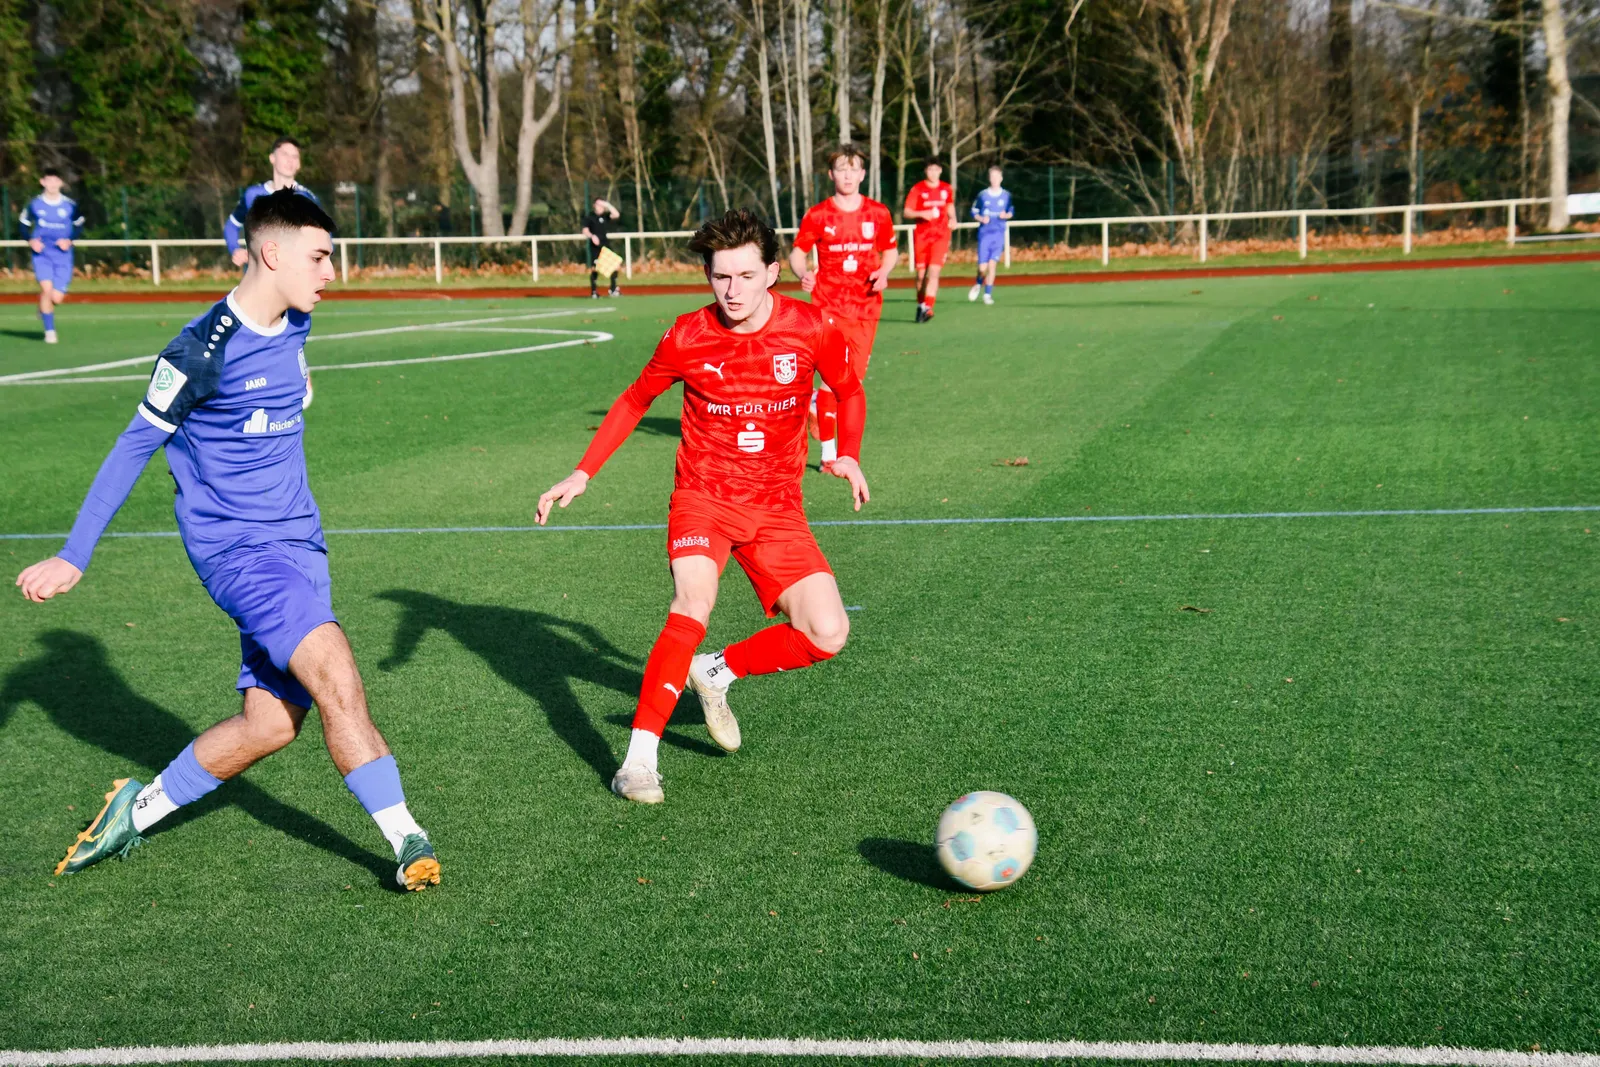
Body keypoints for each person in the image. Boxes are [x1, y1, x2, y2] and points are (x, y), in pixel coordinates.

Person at [15, 191, 441, 892]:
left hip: (302, 543)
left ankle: (135, 811)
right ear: (271, 253)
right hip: (239, 554)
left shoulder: (298, 319)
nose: (331, 271)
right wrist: (73, 554)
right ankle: (407, 838)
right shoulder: (198, 351)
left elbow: (287, 373)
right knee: (335, 671)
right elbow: (132, 446)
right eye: (319, 256)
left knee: (271, 723)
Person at [535, 209, 870, 805]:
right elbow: (635, 399)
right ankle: (639, 761)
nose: (732, 290)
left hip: (777, 506)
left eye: (746, 275)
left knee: (827, 631)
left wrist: (847, 454)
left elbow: (848, 389)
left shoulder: (811, 327)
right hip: (704, 496)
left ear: (773, 272)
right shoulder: (687, 335)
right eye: (721, 277)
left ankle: (716, 671)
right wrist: (583, 472)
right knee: (693, 601)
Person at [790, 144, 898, 473]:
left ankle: (815, 406)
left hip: (866, 308)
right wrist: (803, 273)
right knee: (832, 380)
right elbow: (797, 253)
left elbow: (890, 250)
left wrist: (884, 272)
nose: (848, 175)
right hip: (828, 307)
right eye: (841, 169)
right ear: (831, 174)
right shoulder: (818, 215)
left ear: (862, 174)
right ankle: (828, 454)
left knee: (852, 382)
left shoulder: (878, 213)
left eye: (853, 169)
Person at [224, 137, 321, 269]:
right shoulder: (252, 195)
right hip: (257, 276)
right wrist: (235, 249)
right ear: (272, 158)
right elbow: (232, 225)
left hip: (293, 275)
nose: (290, 160)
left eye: (295, 156)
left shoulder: (307, 198)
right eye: (285, 154)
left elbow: (325, 238)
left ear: (299, 164)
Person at [19, 168, 85, 344]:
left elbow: (79, 225)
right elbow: (23, 224)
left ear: (61, 183)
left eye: (56, 180)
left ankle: (43, 307)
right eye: (49, 180)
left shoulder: (70, 205)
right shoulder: (34, 204)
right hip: (42, 254)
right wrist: (31, 240)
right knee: (47, 291)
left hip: (63, 255)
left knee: (56, 298)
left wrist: (69, 240)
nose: (53, 184)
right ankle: (50, 332)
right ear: (43, 182)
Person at [903, 158, 955, 323]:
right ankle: (921, 305)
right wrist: (922, 214)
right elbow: (907, 212)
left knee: (934, 272)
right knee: (920, 276)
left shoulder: (946, 188)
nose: (933, 173)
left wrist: (953, 218)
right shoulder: (918, 189)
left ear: (940, 171)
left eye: (936, 169)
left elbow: (949, 205)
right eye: (930, 169)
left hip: (941, 236)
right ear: (926, 171)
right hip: (922, 237)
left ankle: (928, 307)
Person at [968, 165, 1013, 306]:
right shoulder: (983, 195)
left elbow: (1011, 211)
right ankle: (978, 282)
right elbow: (973, 211)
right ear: (989, 178)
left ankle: (987, 294)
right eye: (992, 176)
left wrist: (1006, 215)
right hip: (985, 235)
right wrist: (981, 219)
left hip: (998, 235)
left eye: (997, 176)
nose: (995, 179)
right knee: (982, 268)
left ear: (1001, 178)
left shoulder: (1006, 195)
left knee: (992, 265)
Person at [581, 197, 623, 297]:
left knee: (615, 265)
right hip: (595, 247)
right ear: (594, 206)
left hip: (606, 245)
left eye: (602, 205)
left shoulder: (605, 216)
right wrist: (592, 236)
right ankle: (594, 291)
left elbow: (616, 214)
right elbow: (585, 230)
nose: (600, 207)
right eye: (598, 205)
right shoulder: (589, 217)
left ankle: (613, 289)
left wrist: (607, 205)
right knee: (595, 268)